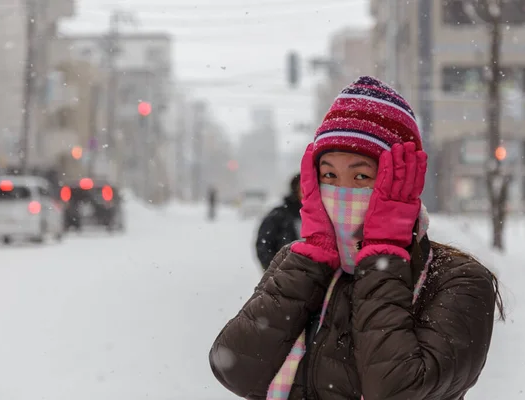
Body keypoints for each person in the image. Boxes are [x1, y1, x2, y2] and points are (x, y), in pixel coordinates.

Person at [209, 76, 504, 400]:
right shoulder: (301, 262)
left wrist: (383, 255)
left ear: (401, 180)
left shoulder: (458, 281)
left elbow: (397, 390)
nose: (342, 191)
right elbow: (235, 368)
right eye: (329, 176)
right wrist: (311, 258)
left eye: (361, 175)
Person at [255, 174, 302, 271]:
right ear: (295, 190)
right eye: (303, 188)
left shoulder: (326, 215)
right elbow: (263, 245)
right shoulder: (279, 215)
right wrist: (277, 272)